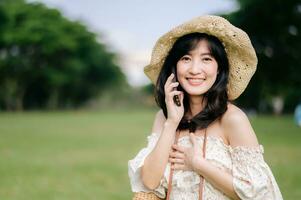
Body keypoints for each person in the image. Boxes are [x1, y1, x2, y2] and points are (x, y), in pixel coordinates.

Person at [128, 15, 283, 200]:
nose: (194, 69)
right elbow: (150, 182)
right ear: (174, 67)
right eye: (186, 58)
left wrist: (198, 164)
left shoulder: (232, 119)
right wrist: (171, 122)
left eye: (206, 59)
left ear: (219, 69)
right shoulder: (163, 118)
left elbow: (258, 193)